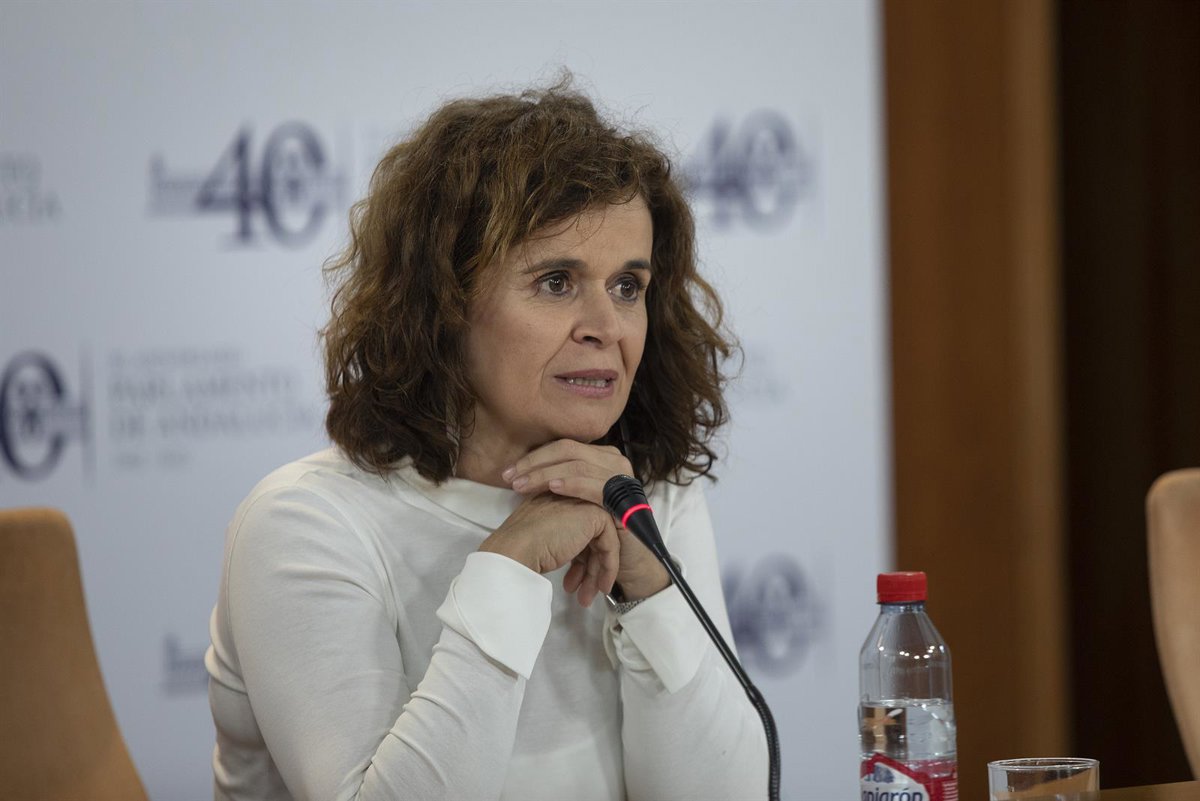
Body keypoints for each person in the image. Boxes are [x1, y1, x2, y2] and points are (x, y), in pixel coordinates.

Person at [204, 82, 768, 801]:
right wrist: (507, 566)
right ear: (443, 303)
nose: (607, 326)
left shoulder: (643, 494)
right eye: (557, 281)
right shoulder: (306, 524)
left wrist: (652, 588)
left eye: (628, 286)